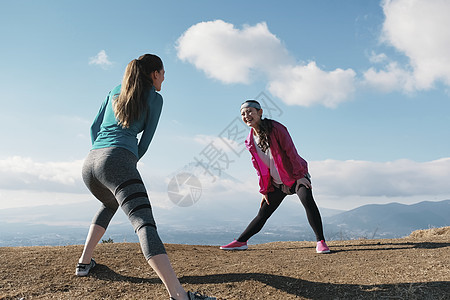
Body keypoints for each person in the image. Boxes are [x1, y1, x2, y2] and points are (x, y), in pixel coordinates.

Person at [76, 54, 216, 300]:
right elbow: (145, 141)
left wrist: (102, 157)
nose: (164, 78)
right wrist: (124, 161)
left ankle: (84, 263)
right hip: (118, 160)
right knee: (144, 223)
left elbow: (92, 128)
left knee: (109, 203)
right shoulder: (154, 98)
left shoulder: (114, 91)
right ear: (154, 74)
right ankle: (180, 296)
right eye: (163, 73)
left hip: (89, 163)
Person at [220, 100, 330, 254]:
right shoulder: (249, 140)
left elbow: (291, 152)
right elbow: (259, 167)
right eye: (243, 114)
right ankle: (241, 241)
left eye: (250, 111)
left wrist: (299, 176)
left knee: (307, 201)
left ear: (260, 112)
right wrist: (265, 189)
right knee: (263, 213)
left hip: (296, 176)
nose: (247, 116)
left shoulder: (276, 128)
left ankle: (321, 242)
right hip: (277, 182)